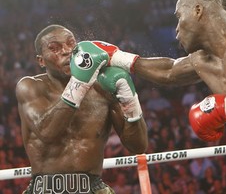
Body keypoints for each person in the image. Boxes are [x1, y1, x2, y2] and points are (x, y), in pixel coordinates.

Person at [87, 0, 226, 193]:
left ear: (198, 10)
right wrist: (116, 57)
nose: (175, 30)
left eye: (179, 17)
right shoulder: (202, 61)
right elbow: (169, 71)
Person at [15, 24, 148, 194]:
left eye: (71, 44)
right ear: (41, 60)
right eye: (54, 48)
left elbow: (138, 146)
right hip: (45, 189)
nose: (66, 51)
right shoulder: (30, 87)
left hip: (94, 188)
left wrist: (130, 100)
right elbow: (48, 132)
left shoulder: (103, 89)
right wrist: (80, 82)